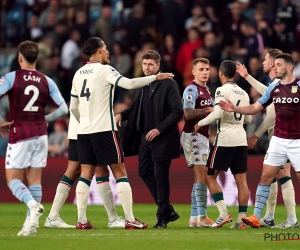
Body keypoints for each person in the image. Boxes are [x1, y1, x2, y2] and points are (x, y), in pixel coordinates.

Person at [69, 37, 175, 229]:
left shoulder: (78, 73)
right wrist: (155, 77)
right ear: (99, 50)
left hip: (83, 130)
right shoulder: (105, 70)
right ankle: (129, 219)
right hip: (103, 129)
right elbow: (129, 84)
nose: (108, 51)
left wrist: (85, 120)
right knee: (119, 172)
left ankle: (82, 221)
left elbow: (73, 108)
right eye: (106, 48)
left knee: (85, 175)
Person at [219, 53, 300, 228]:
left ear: (289, 67)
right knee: (266, 176)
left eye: (278, 64)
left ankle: (285, 218)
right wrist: (235, 108)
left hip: (297, 141)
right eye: (274, 64)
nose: (274, 67)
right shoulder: (274, 87)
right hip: (278, 139)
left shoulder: (299, 85)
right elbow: (255, 107)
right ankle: (256, 216)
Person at [0, 40, 68, 236]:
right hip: (41, 134)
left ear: (20, 58)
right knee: (34, 178)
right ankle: (31, 225)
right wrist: (44, 118)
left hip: (20, 132)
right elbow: (63, 108)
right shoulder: (47, 80)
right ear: (37, 58)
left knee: (13, 178)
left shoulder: (12, 77)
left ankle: (32, 205)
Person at [115, 50, 183, 229]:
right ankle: (167, 209)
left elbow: (178, 111)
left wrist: (159, 129)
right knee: (144, 171)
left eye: (151, 64)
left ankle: (162, 217)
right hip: (145, 136)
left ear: (158, 66)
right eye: (145, 64)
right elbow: (135, 108)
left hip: (162, 137)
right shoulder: (144, 84)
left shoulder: (169, 84)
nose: (147, 67)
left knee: (161, 177)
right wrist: (122, 114)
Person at [194, 60, 252, 229]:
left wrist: (201, 123)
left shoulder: (221, 90)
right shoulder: (244, 93)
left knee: (209, 176)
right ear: (234, 73)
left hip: (225, 138)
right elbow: (248, 118)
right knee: (241, 181)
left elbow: (218, 112)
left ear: (221, 73)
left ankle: (223, 213)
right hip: (241, 138)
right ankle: (241, 220)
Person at [44, 113, 125, 229]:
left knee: (72, 172)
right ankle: (112, 218)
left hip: (75, 130)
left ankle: (53, 216)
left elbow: (73, 107)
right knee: (100, 170)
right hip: (91, 129)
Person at [181, 58, 214, 228]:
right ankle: (202, 217)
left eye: (207, 69)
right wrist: (206, 110)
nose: (205, 72)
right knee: (203, 176)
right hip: (193, 135)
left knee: (198, 178)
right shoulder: (191, 89)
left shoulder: (206, 89)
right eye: (201, 69)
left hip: (202, 136)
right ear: (194, 72)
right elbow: (186, 114)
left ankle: (194, 218)